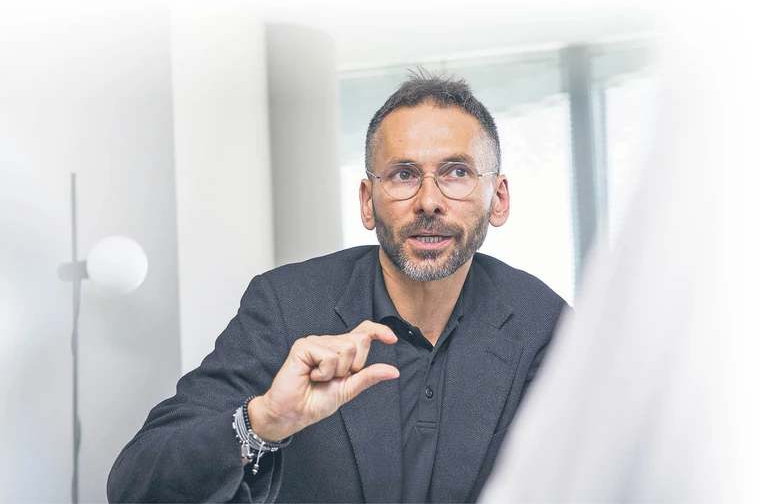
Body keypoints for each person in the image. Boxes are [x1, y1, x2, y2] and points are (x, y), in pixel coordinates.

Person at [107, 71, 568, 503]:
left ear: (498, 199)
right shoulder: (286, 305)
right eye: (404, 175)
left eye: (457, 172)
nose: (429, 201)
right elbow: (135, 485)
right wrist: (262, 422)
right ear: (367, 203)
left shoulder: (544, 324)